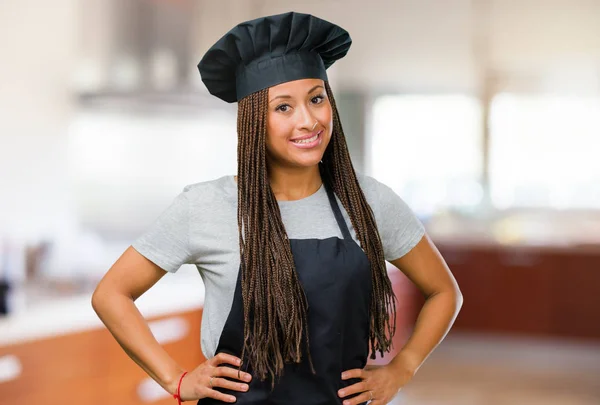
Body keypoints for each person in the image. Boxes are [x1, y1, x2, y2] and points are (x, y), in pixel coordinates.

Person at [92, 11, 462, 405]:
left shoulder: (369, 201)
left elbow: (444, 292)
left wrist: (401, 369)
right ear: (254, 121)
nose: (308, 120)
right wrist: (176, 379)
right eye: (283, 107)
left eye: (317, 99)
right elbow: (111, 294)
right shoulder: (205, 206)